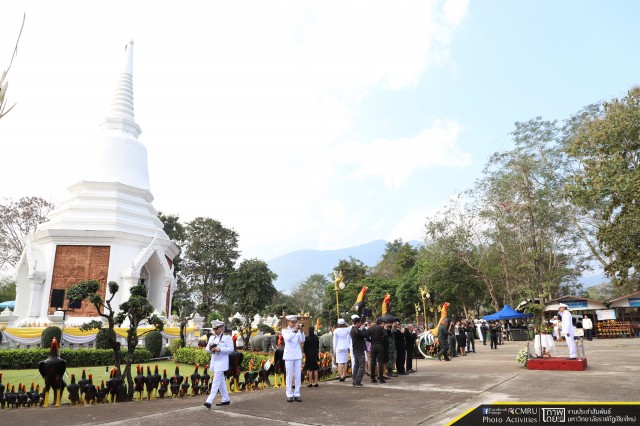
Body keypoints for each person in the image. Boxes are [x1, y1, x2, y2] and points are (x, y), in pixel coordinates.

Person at [204, 320, 233, 409]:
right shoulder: (212, 338)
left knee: (216, 381)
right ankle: (226, 399)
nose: (215, 330)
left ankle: (209, 400)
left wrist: (220, 349)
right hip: (214, 362)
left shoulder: (227, 337)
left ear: (222, 328)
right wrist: (211, 349)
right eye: (214, 329)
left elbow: (231, 349)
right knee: (221, 382)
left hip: (222, 362)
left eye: (216, 328)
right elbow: (206, 349)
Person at [282, 314, 305, 402]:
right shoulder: (285, 330)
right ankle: (289, 393)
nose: (294, 324)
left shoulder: (297, 330)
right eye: (293, 322)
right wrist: (295, 330)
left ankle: (297, 393)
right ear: (288, 322)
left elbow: (302, 340)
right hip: (289, 355)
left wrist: (301, 331)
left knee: (298, 375)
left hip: (297, 354)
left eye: (295, 322)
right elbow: (288, 338)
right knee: (289, 375)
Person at [349, 315, 368, 387]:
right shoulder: (357, 330)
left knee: (356, 365)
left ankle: (354, 380)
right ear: (357, 322)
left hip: (355, 350)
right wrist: (363, 328)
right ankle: (357, 382)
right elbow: (366, 335)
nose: (361, 324)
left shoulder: (352, 329)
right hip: (359, 350)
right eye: (360, 323)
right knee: (361, 366)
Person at [367, 318, 386, 383]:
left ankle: (372, 378)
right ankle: (381, 378)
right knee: (380, 362)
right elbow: (385, 335)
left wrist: (371, 340)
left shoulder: (370, 328)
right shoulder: (381, 328)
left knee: (373, 361)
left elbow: (366, 336)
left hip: (373, 346)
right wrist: (382, 340)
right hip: (380, 345)